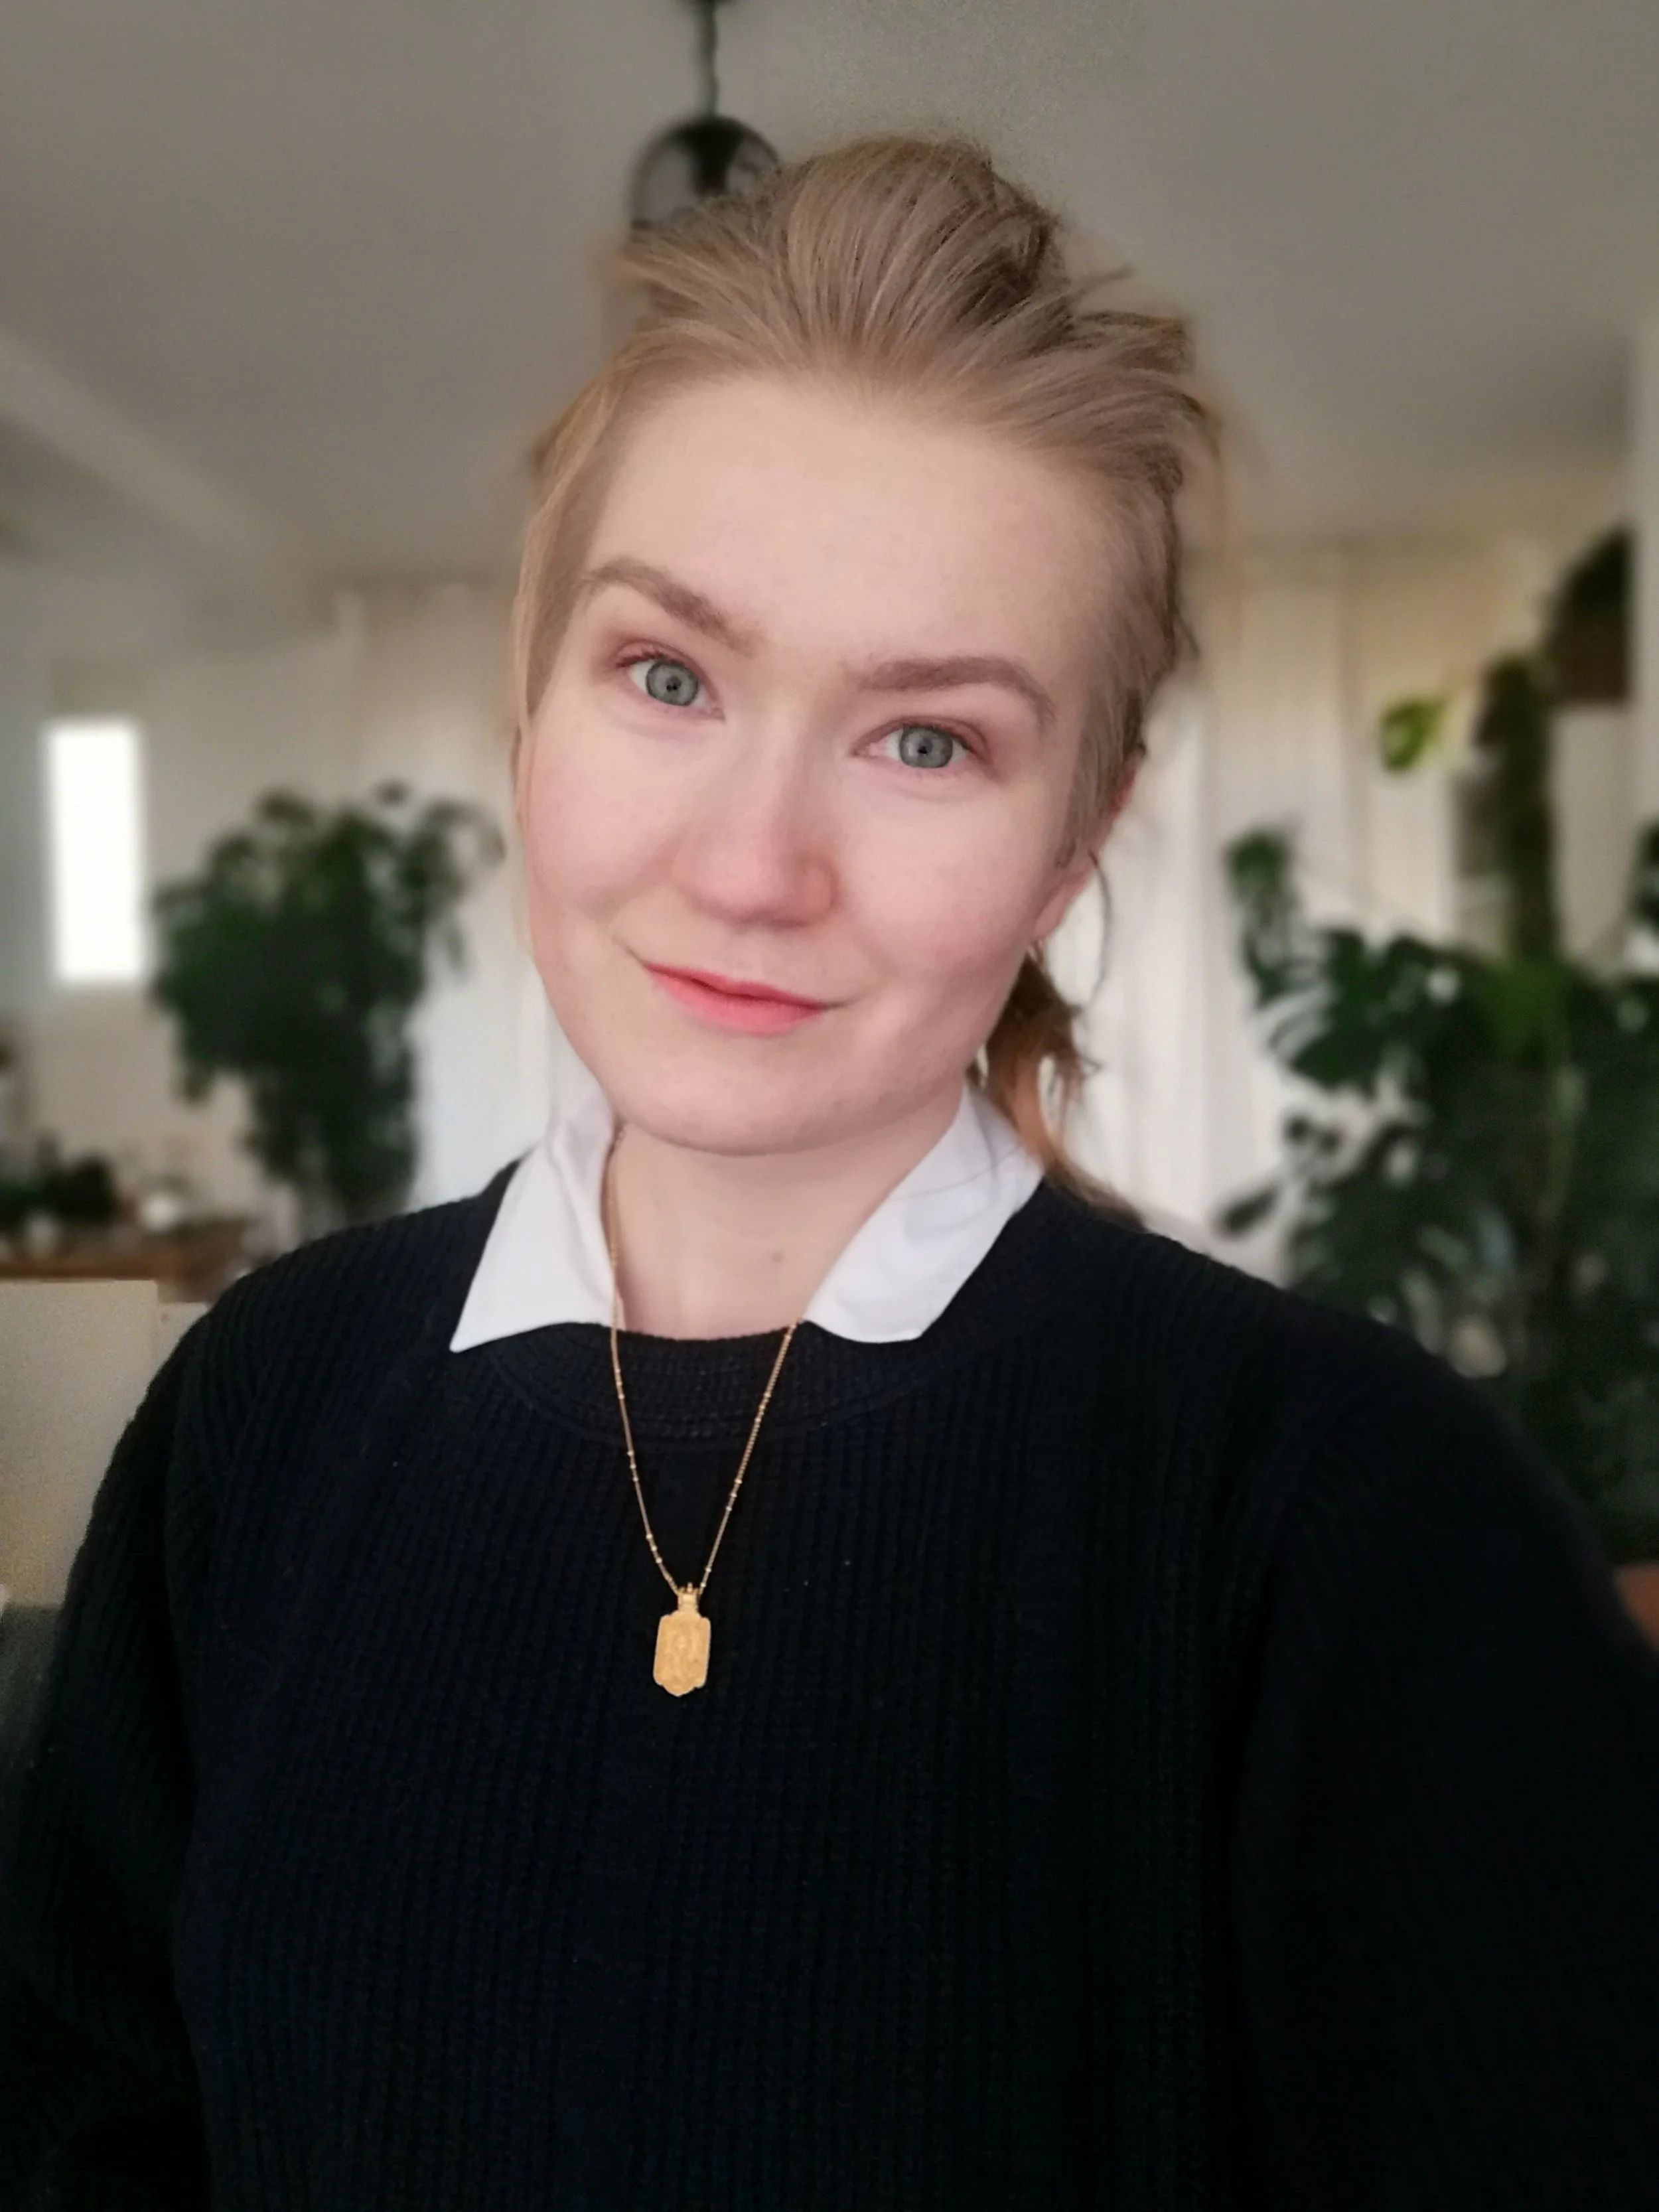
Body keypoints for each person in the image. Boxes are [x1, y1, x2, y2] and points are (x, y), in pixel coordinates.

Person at [3, 134, 1658, 2212]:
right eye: (668, 676)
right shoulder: (261, 1408)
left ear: (1076, 836)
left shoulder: (1346, 1518)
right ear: (531, 706)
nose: (751, 866)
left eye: (924, 739)